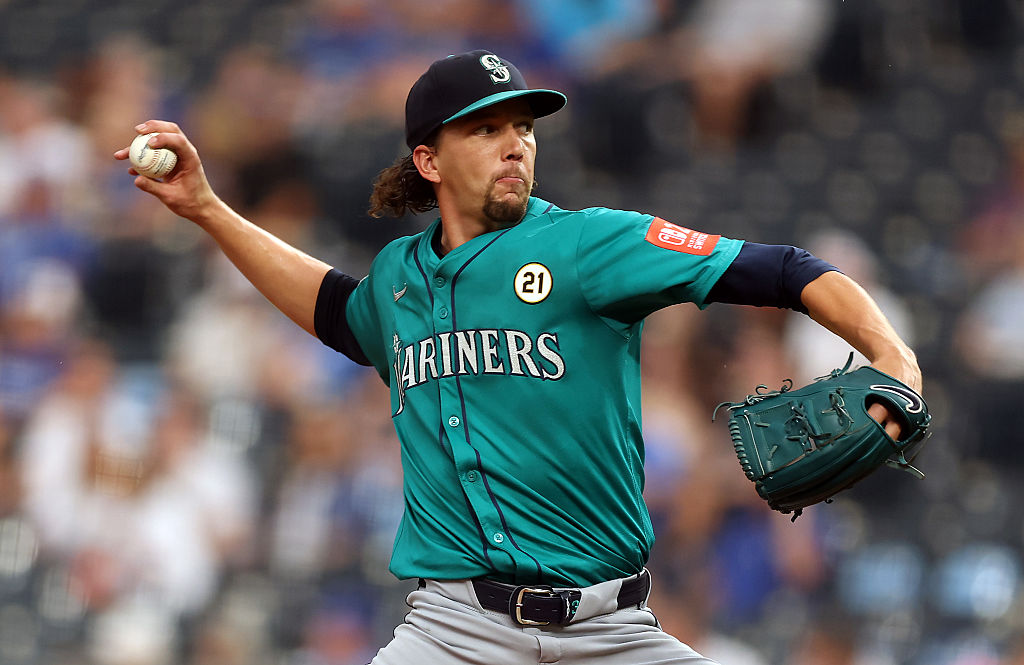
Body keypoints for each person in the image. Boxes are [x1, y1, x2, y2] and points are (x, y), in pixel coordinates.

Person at [115, 49, 921, 665]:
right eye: (487, 128)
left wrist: (891, 354)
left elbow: (785, 269)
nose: (515, 146)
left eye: (524, 128)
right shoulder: (399, 280)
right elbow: (336, 309)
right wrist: (209, 209)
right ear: (429, 160)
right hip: (452, 631)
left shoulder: (587, 244)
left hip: (611, 631)